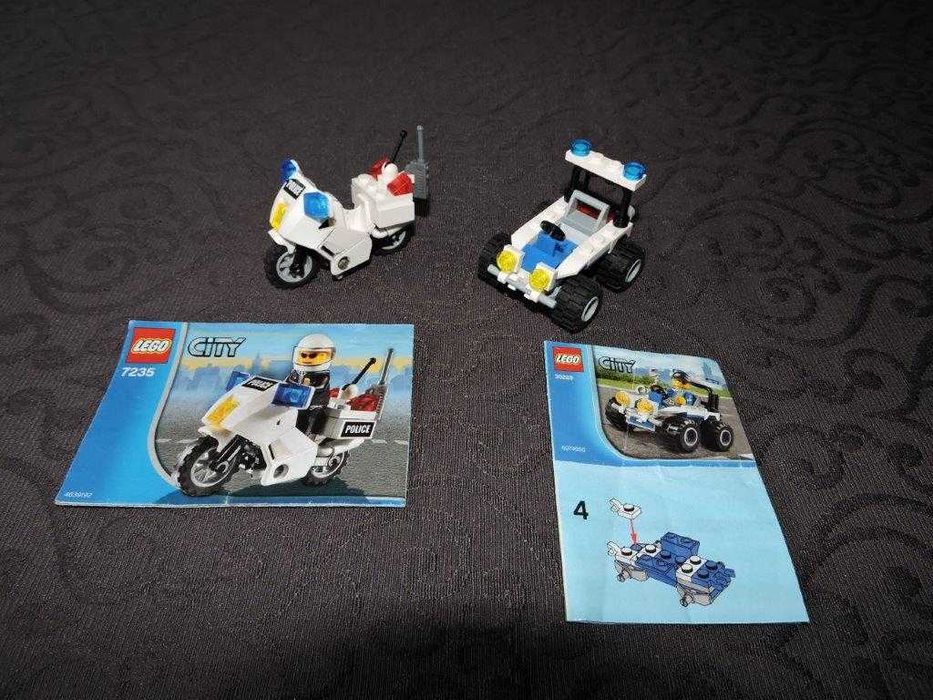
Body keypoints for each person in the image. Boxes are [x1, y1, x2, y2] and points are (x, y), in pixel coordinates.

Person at [286, 333, 334, 435]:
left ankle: (306, 435)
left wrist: (306, 388)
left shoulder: (322, 375)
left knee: (309, 415)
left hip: (314, 403)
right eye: (303, 355)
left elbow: (320, 387)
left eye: (313, 356)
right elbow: (287, 381)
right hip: (296, 401)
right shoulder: (296, 373)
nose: (307, 359)